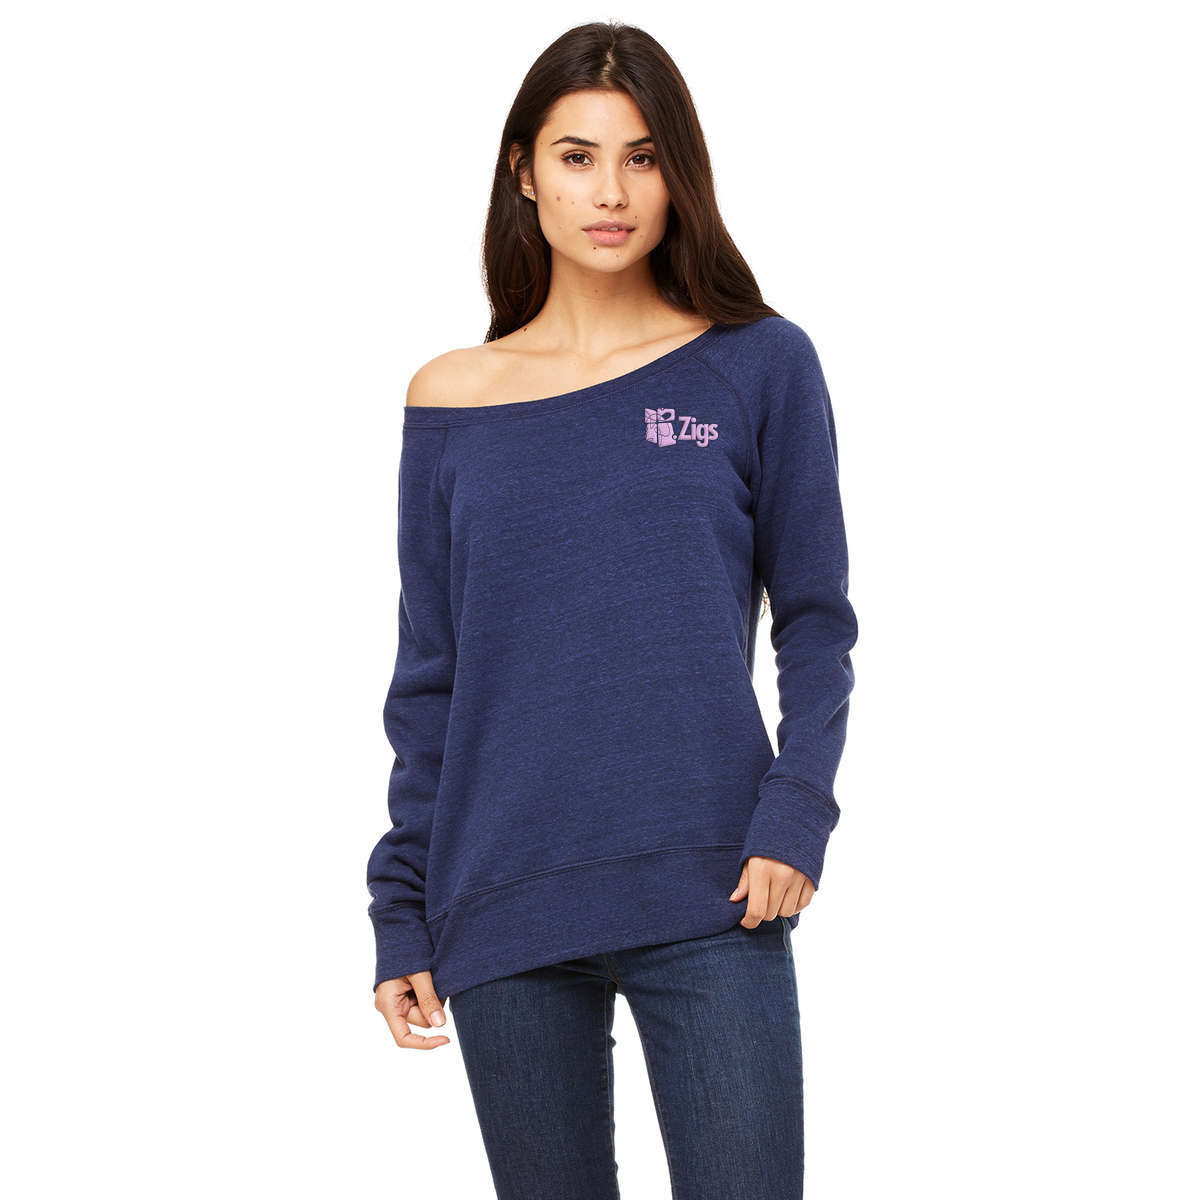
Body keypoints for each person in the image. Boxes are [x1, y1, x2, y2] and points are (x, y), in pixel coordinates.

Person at [365, 20, 858, 1199]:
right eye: (578, 156)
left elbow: (816, 618)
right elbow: (432, 676)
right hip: (503, 899)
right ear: (525, 172)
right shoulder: (451, 401)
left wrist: (796, 812)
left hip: (713, 887)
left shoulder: (757, 364)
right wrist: (401, 908)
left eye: (642, 157)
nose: (612, 192)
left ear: (679, 172)